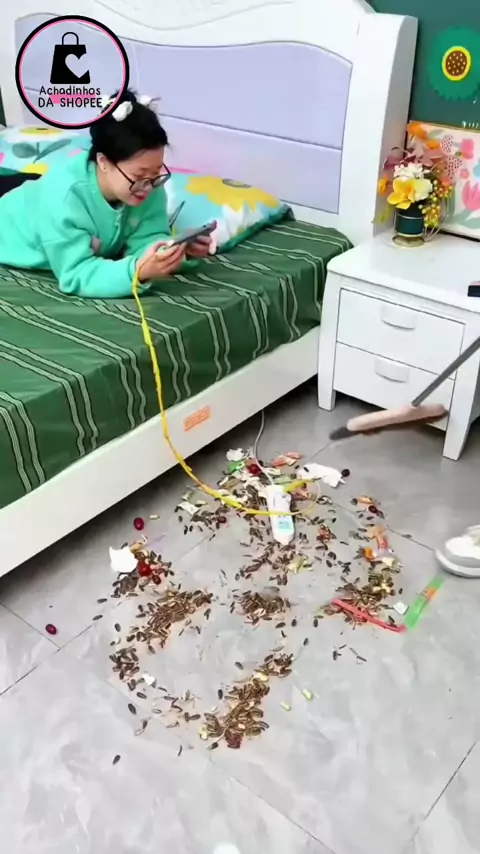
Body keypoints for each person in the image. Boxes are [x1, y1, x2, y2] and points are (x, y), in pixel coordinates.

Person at [0, 91, 211, 298]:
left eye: (156, 173)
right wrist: (137, 272)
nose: (148, 186)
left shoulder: (149, 186)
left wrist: (175, 252)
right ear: (103, 162)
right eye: (139, 175)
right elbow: (76, 273)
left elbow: (147, 238)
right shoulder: (64, 199)